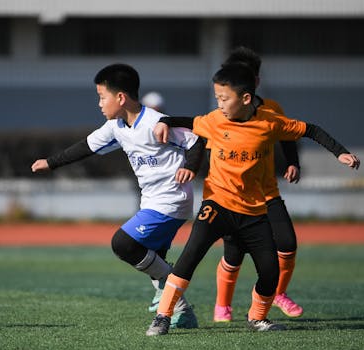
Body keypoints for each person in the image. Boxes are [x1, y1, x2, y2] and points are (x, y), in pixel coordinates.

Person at [145, 63, 360, 335]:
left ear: (246, 98)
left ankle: (257, 317)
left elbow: (311, 130)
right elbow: (184, 121)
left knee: (271, 271)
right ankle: (163, 316)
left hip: (254, 211)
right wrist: (164, 121)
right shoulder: (213, 120)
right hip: (217, 205)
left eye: (224, 98)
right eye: (217, 97)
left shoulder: (269, 123)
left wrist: (339, 153)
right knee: (189, 257)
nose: (219, 103)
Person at [31, 63, 205, 329]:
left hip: (172, 200)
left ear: (121, 97)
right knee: (151, 258)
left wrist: (190, 167)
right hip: (152, 202)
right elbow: (86, 146)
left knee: (123, 244)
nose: (100, 104)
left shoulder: (155, 122)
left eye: (102, 97)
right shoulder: (116, 126)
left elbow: (195, 140)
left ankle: (174, 285)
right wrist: (51, 162)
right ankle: (181, 312)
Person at [213, 46, 304, 323]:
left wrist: (293, 162)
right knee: (233, 255)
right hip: (233, 197)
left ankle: (277, 294)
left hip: (267, 193)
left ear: (256, 83)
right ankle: (222, 306)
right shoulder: (222, 113)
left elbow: (288, 134)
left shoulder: (272, 109)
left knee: (287, 244)